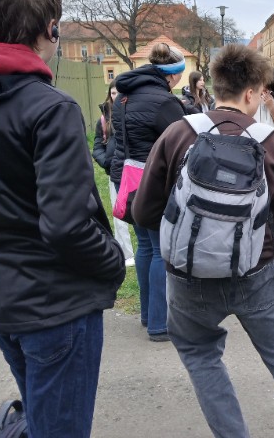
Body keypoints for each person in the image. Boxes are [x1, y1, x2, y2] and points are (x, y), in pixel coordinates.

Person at [0, 0, 125, 437]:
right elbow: (67, 226)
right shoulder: (52, 108)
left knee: (45, 422)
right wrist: (113, 264)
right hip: (57, 305)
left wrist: (4, 237)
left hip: (4, 298)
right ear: (51, 29)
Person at [132, 45, 274, 438]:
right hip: (256, 274)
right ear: (251, 93)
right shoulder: (271, 143)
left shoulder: (179, 133)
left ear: (214, 86)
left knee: (201, 358)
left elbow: (144, 212)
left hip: (188, 277)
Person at [111, 42, 187, 342]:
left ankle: (147, 314)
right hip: (153, 183)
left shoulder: (123, 97)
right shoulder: (165, 102)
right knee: (160, 251)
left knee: (144, 246)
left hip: (126, 179)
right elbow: (180, 145)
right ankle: (159, 323)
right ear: (173, 75)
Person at [93, 80, 135, 266]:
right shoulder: (104, 119)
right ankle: (126, 253)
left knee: (136, 210)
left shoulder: (132, 113)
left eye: (118, 93)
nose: (115, 96)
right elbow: (97, 147)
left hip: (132, 170)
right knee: (119, 213)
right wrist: (106, 163)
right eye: (112, 93)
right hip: (114, 172)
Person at [254, 67, 274, 131]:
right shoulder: (251, 95)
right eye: (266, 87)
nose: (268, 91)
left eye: (271, 89)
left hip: (271, 138)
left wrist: (272, 108)